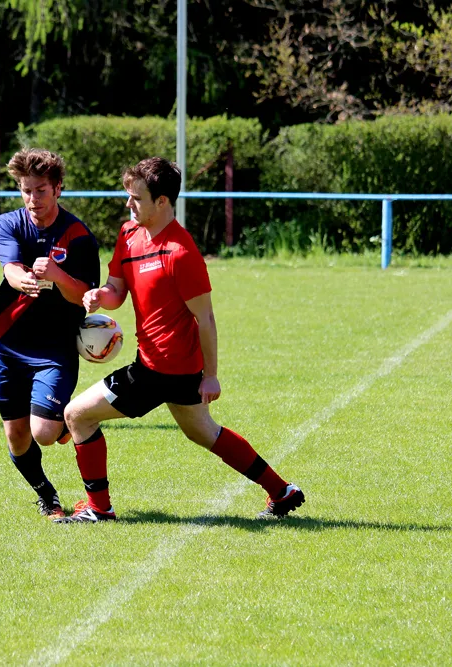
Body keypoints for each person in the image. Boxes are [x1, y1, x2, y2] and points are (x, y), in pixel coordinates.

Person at [57, 157, 304, 523]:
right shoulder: (128, 235)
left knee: (76, 415)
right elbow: (116, 291)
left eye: (136, 197)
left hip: (161, 369)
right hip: (165, 365)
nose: (128, 203)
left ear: (162, 201)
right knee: (203, 431)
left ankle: (99, 509)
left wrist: (212, 375)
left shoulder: (180, 252)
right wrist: (98, 296)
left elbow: (205, 318)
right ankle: (281, 492)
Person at [0, 148, 100, 518]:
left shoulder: (78, 236)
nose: (33, 199)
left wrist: (56, 275)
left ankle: (62, 423)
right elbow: (10, 268)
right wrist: (23, 280)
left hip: (55, 347)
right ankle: (47, 495)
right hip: (10, 342)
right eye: (26, 191)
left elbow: (84, 295)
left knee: (44, 433)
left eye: (41, 191)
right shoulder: (9, 223)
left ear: (58, 189)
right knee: (16, 436)